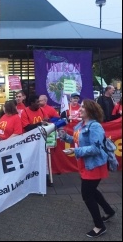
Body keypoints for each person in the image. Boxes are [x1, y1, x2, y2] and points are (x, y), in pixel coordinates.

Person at [58, 99, 115, 238]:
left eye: (83, 107)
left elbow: (96, 148)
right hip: (85, 164)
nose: (80, 108)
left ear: (90, 110)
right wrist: (65, 137)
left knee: (87, 194)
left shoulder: (95, 126)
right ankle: (109, 211)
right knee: (92, 191)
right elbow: (77, 140)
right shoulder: (80, 125)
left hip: (94, 165)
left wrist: (75, 151)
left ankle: (99, 226)